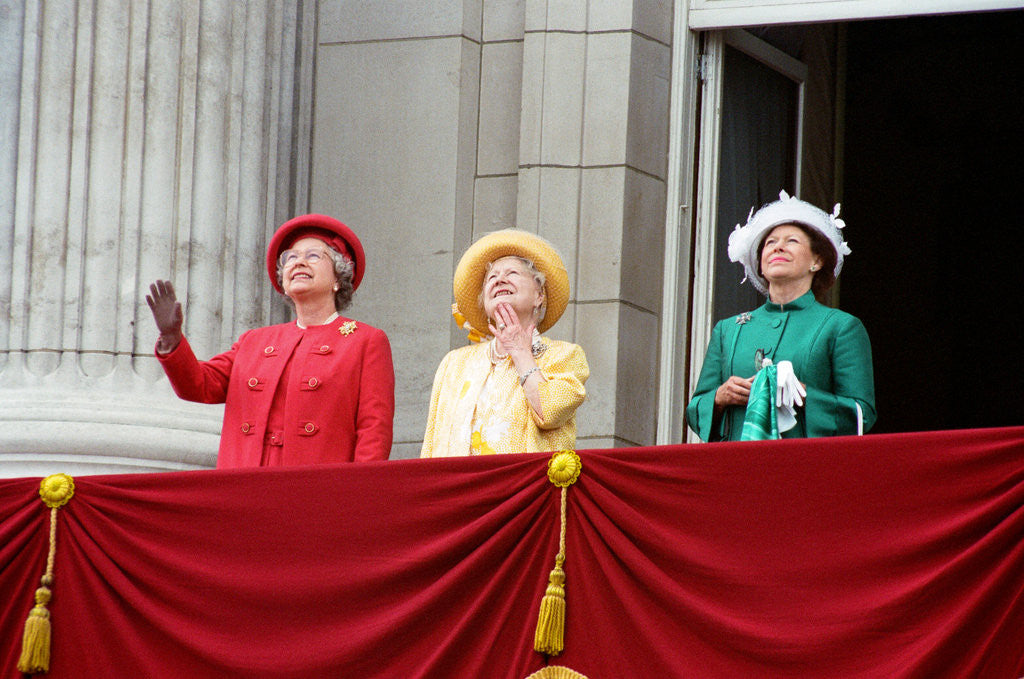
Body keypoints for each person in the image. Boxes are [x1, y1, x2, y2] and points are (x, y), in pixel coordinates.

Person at [146, 214, 395, 467]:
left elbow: (374, 431)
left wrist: (358, 489)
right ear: (283, 283)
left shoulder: (365, 341)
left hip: (318, 486)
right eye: (290, 258)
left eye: (313, 256)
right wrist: (172, 338)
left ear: (338, 278)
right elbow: (198, 385)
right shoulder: (254, 341)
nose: (299, 262)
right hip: (246, 484)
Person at [686, 191, 876, 441]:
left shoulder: (841, 327)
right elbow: (695, 409)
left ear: (817, 260)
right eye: (770, 243)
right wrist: (720, 397)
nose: (778, 247)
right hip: (738, 462)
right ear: (761, 265)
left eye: (792, 241)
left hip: (805, 462)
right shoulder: (728, 330)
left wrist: (802, 394)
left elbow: (862, 414)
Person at [421, 229, 589, 457]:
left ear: (539, 295)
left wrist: (521, 353)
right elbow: (430, 447)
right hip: (457, 481)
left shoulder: (564, 355)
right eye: (492, 277)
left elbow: (550, 413)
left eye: (512, 273)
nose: (499, 280)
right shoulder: (454, 363)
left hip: (525, 480)